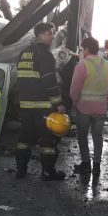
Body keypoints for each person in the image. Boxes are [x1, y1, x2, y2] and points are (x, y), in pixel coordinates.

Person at [15, 22, 66, 181]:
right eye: (50, 33)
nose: (52, 37)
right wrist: (58, 102)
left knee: (25, 138)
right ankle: (48, 172)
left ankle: (21, 170)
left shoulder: (24, 53)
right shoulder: (44, 54)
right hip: (42, 106)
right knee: (47, 140)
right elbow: (49, 80)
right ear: (42, 34)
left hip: (25, 105)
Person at [70, 37, 108, 176]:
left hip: (83, 108)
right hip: (101, 108)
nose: (82, 52)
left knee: (82, 136)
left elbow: (75, 88)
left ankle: (85, 163)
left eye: (82, 49)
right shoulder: (107, 66)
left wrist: (75, 101)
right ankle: (97, 165)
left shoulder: (82, 65)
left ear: (87, 49)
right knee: (97, 136)